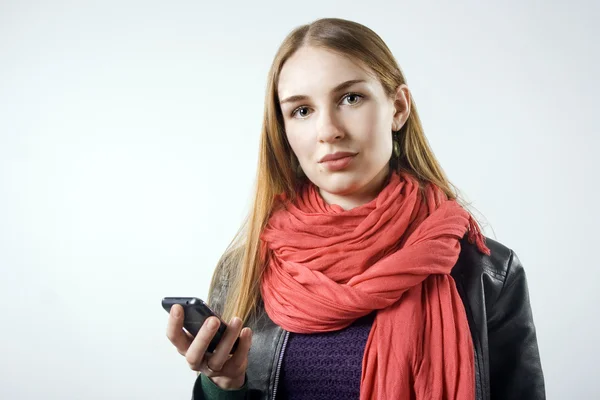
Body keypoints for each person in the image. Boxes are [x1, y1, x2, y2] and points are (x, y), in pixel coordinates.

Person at [165, 17, 545, 400]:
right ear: (283, 131)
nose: (328, 130)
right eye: (301, 110)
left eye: (350, 98)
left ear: (398, 108)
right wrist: (224, 387)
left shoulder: (487, 273)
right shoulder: (244, 272)